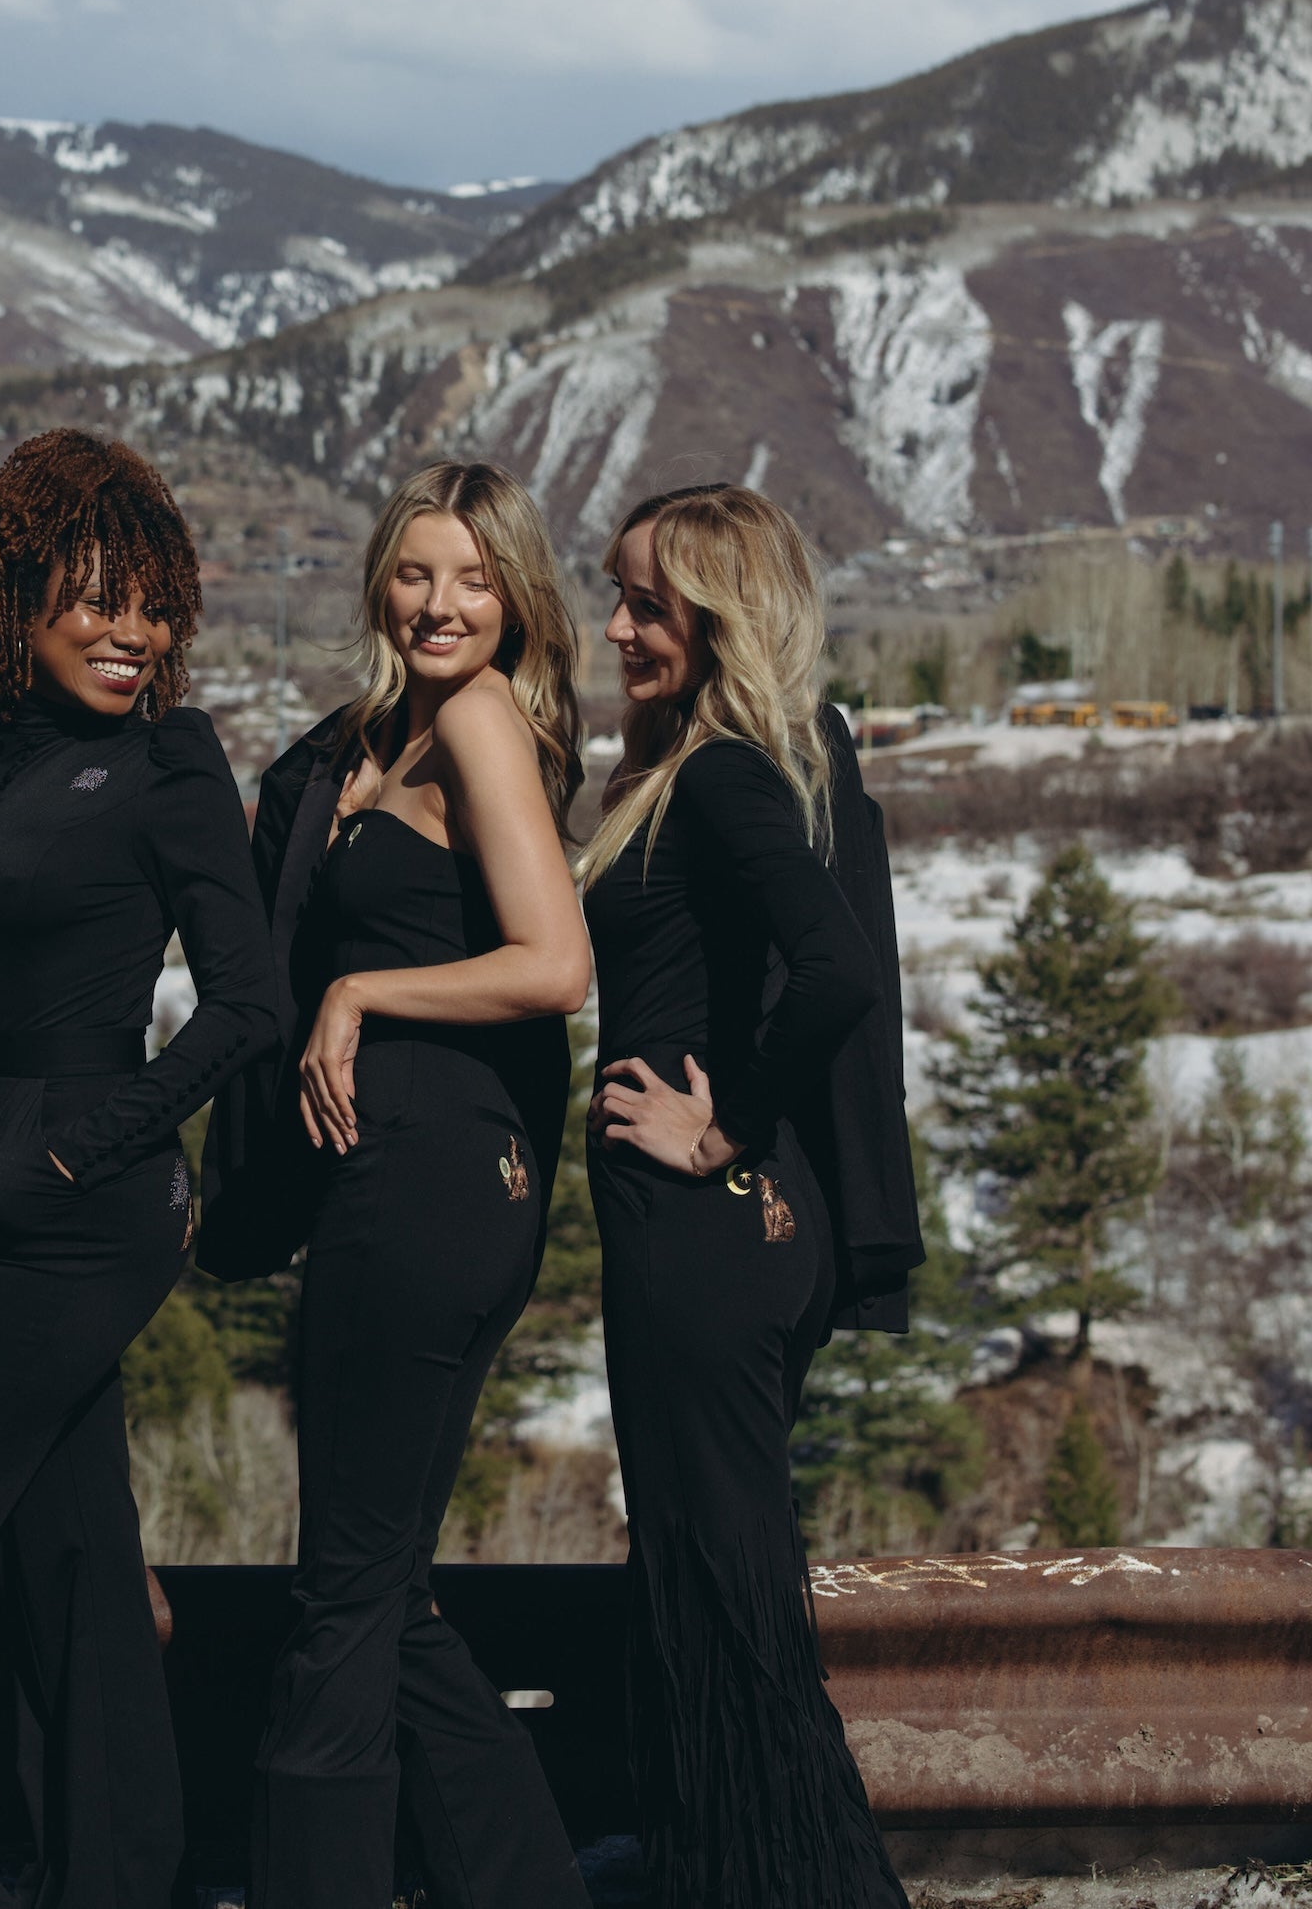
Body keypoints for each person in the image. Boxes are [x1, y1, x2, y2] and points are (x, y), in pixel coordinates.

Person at [0, 429, 278, 1909]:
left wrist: (102, 1136)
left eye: (151, 603)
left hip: (81, 1202)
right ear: (11, 604)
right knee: (76, 1559)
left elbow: (250, 1004)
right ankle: (118, 1877)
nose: (131, 633)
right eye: (93, 599)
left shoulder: (168, 768)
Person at [204, 460, 594, 1909]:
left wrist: (360, 988)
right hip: (419, 1184)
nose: (440, 604)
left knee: (338, 1600)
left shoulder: (483, 723)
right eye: (417, 573)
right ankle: (529, 1887)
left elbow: (555, 966)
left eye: (474, 580)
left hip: (428, 1189)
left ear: (516, 599)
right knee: (384, 1586)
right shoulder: (400, 734)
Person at [580, 482, 922, 1909]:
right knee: (716, 1585)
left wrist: (728, 1132)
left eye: (648, 605)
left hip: (706, 1235)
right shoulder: (723, 766)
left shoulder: (721, 772)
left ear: (721, 620)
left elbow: (836, 971)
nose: (618, 627)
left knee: (725, 1603)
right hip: (731, 1240)